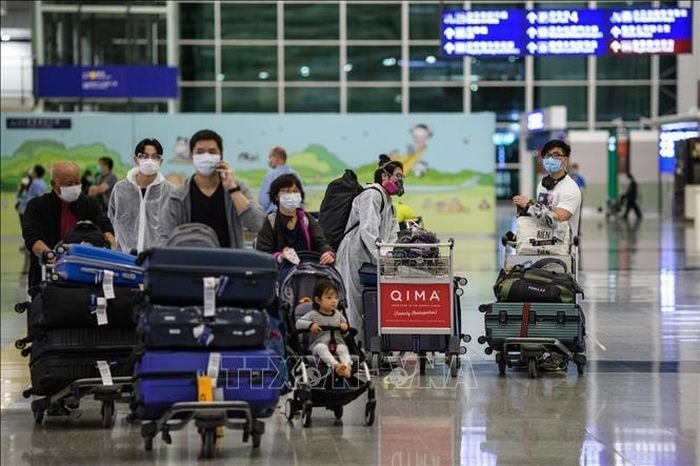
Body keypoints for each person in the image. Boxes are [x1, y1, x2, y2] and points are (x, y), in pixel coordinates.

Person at [335, 154, 403, 340]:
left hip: (371, 255)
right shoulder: (371, 195)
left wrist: (390, 256)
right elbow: (368, 230)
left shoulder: (389, 203)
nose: (400, 180)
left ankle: (369, 345)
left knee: (369, 302)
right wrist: (382, 256)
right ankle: (354, 348)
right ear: (384, 177)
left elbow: (392, 232)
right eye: (397, 176)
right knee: (353, 302)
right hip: (354, 252)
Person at [157, 129, 264, 247]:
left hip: (230, 262)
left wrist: (232, 188)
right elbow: (165, 237)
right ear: (191, 156)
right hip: (189, 263)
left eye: (212, 152)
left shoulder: (238, 188)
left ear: (220, 156)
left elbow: (257, 224)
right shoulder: (177, 196)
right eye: (200, 152)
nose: (206, 156)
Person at [21, 161, 115, 288]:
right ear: (54, 185)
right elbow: (32, 237)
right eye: (68, 184)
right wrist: (50, 255)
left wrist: (110, 245)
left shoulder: (89, 203)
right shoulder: (37, 206)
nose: (74, 187)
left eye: (77, 182)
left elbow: (105, 225)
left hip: (86, 275)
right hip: (48, 275)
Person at [108, 138, 173, 254]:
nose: (150, 160)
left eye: (155, 157)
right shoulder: (120, 189)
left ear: (161, 161)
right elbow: (111, 219)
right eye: (145, 156)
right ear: (136, 159)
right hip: (125, 259)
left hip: (157, 260)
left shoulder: (170, 192)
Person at [255, 173, 335, 267]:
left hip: (306, 270)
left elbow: (321, 242)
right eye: (287, 191)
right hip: (280, 273)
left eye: (295, 191)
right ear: (277, 196)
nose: (292, 195)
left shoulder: (307, 219)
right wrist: (280, 256)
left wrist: (327, 253)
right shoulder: (271, 221)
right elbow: (263, 253)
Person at [512, 139, 582, 240]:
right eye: (548, 155)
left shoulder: (570, 188)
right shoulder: (542, 184)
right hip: (542, 246)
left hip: (563, 250)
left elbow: (557, 218)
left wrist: (529, 206)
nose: (550, 159)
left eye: (556, 155)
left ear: (565, 160)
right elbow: (542, 214)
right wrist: (526, 209)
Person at [296, 279, 352, 378]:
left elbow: (345, 324)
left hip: (336, 343)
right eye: (329, 298)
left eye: (336, 297)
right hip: (319, 344)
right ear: (318, 300)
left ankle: (346, 367)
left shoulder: (338, 314)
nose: (334, 301)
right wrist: (310, 325)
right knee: (321, 348)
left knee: (343, 348)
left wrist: (345, 325)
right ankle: (336, 365)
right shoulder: (313, 314)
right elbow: (299, 323)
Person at [258, 146, 300, 215]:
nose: (269, 161)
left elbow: (263, 201)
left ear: (277, 158)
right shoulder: (296, 175)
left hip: (274, 216)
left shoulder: (271, 175)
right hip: (295, 216)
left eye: (270, 157)